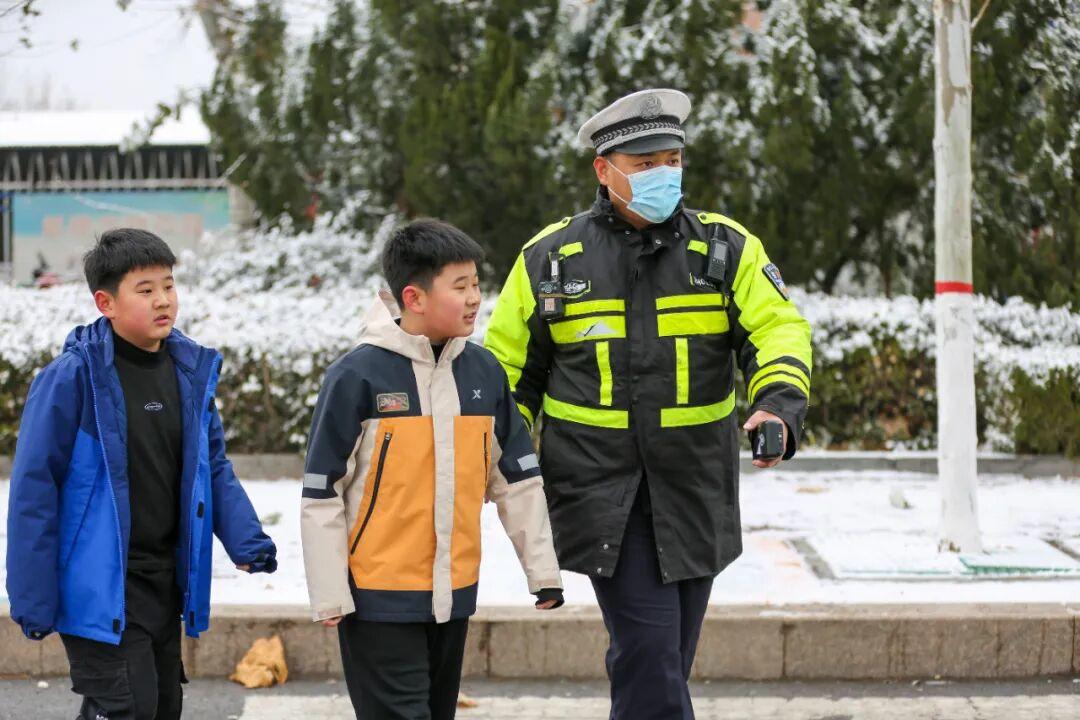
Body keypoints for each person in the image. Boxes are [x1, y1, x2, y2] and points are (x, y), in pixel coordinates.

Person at [484, 89, 813, 719]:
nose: (664, 173)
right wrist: (500, 452)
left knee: (664, 659)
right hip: (599, 490)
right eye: (644, 164)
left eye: (672, 160)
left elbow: (777, 330)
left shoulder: (726, 249)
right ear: (603, 170)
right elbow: (510, 373)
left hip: (693, 486)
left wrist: (776, 404)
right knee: (650, 654)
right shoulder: (550, 259)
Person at [5, 228, 278, 720]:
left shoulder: (187, 373)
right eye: (146, 289)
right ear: (105, 303)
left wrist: (247, 541)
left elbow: (212, 466)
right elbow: (34, 491)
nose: (163, 300)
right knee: (130, 706)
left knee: (162, 706)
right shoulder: (72, 379)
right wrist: (32, 597)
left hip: (165, 582)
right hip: (100, 588)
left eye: (169, 285)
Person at [301, 219, 564, 720]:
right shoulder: (356, 376)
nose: (474, 298)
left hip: (454, 595)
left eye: (476, 284)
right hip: (377, 600)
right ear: (414, 297)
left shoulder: (484, 372)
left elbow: (517, 480)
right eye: (459, 286)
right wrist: (330, 592)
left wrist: (543, 572)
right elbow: (322, 492)